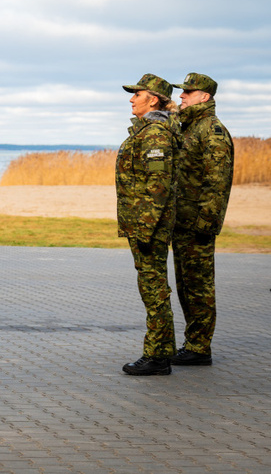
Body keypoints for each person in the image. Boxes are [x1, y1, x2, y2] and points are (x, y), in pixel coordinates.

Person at [117, 74, 180, 376]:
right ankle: (161, 352)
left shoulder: (155, 134)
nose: (131, 99)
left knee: (154, 289)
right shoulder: (148, 131)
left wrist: (145, 227)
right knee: (152, 288)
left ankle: (157, 356)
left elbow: (158, 185)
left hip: (149, 226)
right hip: (144, 223)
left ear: (152, 99)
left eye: (137, 94)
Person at [169, 73, 234, 366]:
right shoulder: (189, 126)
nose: (182, 96)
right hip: (182, 222)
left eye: (188, 92)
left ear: (204, 97)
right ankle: (192, 342)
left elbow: (217, 183)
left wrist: (205, 225)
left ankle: (199, 347)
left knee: (199, 285)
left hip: (197, 224)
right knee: (185, 284)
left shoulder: (212, 130)